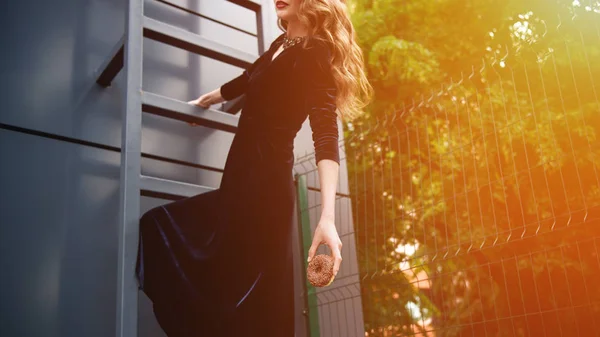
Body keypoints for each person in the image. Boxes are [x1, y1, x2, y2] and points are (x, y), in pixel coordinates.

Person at [136, 0, 372, 336]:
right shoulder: (281, 44)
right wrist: (209, 99)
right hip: (238, 180)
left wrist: (328, 218)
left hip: (265, 190)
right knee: (203, 263)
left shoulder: (315, 54)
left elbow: (326, 136)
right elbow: (249, 78)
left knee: (251, 299)